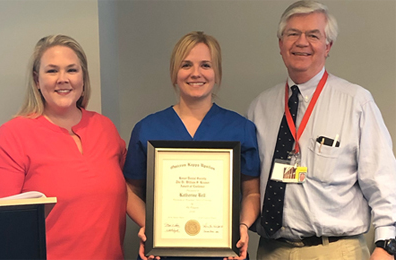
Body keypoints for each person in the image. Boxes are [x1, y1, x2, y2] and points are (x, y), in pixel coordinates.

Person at [247, 1, 396, 260]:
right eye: (292, 34)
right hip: (271, 251)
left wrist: (386, 245)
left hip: (335, 250)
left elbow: (383, 180)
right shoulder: (259, 107)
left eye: (313, 35)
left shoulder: (356, 102)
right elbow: (248, 184)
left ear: (328, 47)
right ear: (281, 44)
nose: (301, 42)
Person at [0, 35, 128, 260]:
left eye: (72, 70)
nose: (62, 79)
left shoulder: (105, 128)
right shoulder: (12, 136)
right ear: (37, 80)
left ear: (83, 77)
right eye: (51, 71)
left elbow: (129, 188)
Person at [124, 31, 260, 260]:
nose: (196, 73)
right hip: (163, 253)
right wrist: (152, 227)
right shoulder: (147, 129)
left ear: (217, 73)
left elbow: (252, 192)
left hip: (225, 254)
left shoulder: (240, 128)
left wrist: (243, 226)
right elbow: (128, 191)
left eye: (205, 65)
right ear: (174, 73)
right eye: (186, 65)